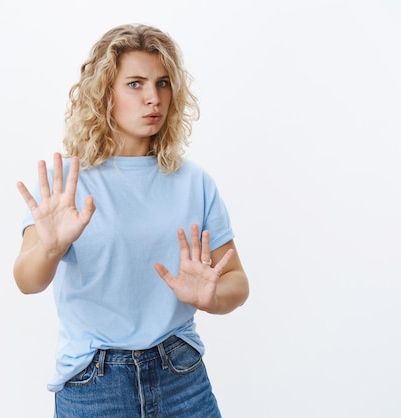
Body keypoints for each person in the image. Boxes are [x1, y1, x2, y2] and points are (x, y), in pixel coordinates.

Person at [14, 23, 249, 418]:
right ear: (105, 92)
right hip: (94, 383)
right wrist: (50, 249)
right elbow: (26, 280)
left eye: (162, 83)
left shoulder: (194, 182)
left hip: (180, 375)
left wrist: (212, 298)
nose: (152, 98)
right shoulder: (66, 183)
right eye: (135, 84)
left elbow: (236, 281)